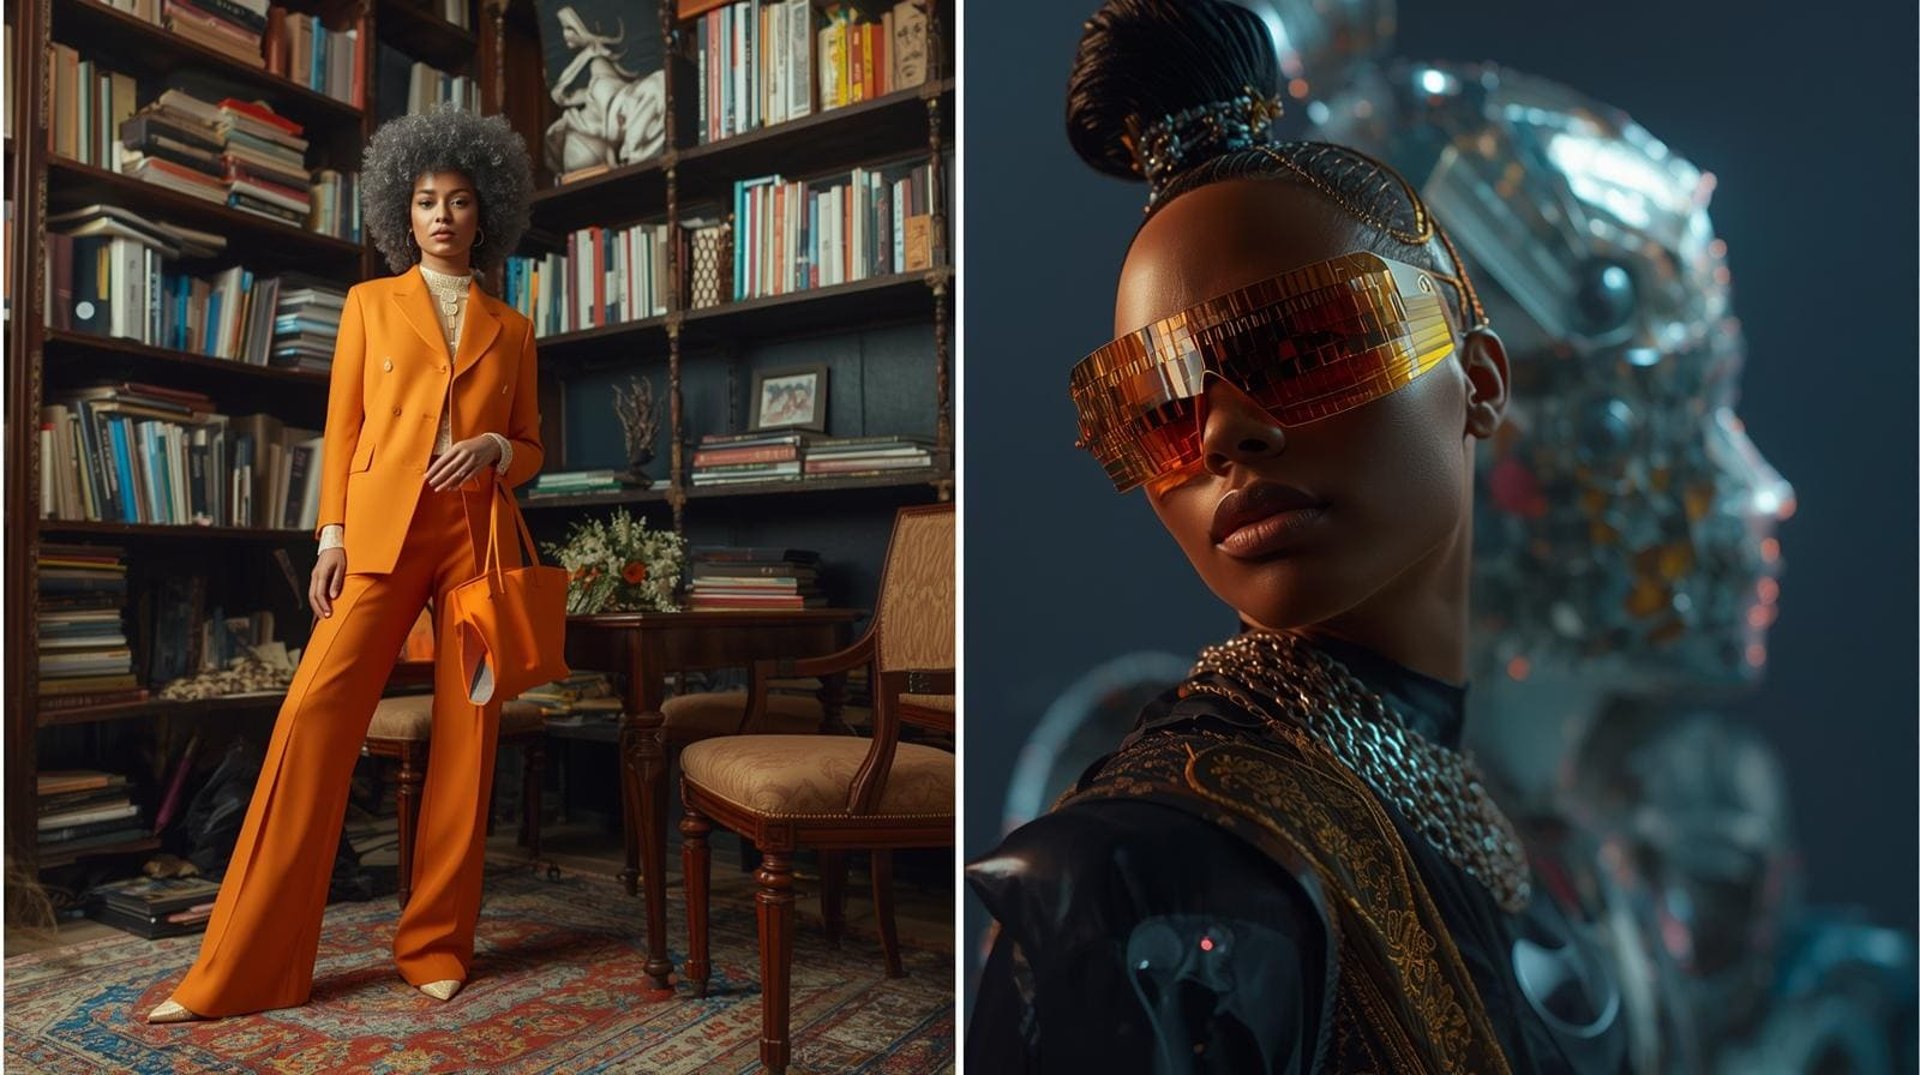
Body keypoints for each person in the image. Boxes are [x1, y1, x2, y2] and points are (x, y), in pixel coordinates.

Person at [964, 1, 1628, 1070]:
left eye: (1306, 346)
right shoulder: (1137, 883)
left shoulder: (1508, 831)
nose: (1228, 431)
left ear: (1480, 381)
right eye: (1162, 406)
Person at [146, 104, 543, 1022]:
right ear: (401, 215)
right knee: (314, 718)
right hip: (378, 533)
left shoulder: (513, 330)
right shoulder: (370, 306)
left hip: (474, 539)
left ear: (486, 215)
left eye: (460, 201)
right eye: (425, 201)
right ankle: (242, 968)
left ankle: (438, 944)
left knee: (468, 740)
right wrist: (330, 538)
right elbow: (343, 428)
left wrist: (491, 448)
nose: (442, 215)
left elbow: (529, 447)